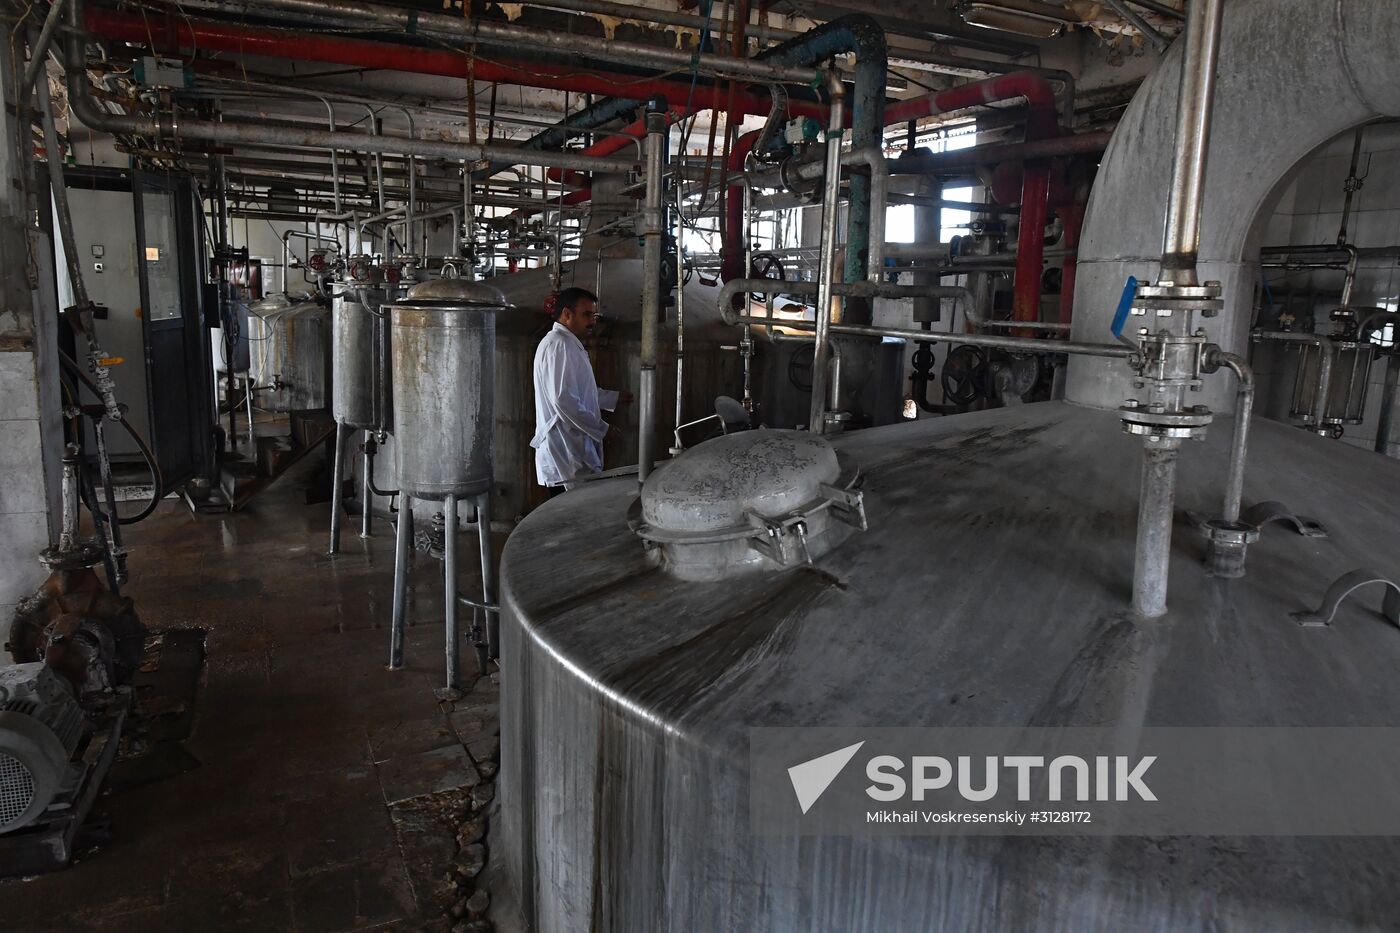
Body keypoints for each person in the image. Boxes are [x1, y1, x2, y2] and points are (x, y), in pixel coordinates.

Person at [531, 287, 632, 496]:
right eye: (586, 315)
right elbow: (563, 399)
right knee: (569, 517)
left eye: (593, 315)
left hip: (570, 446)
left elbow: (578, 390)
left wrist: (612, 398)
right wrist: (602, 428)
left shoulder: (566, 343)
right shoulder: (560, 345)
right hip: (565, 448)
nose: (592, 321)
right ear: (567, 314)